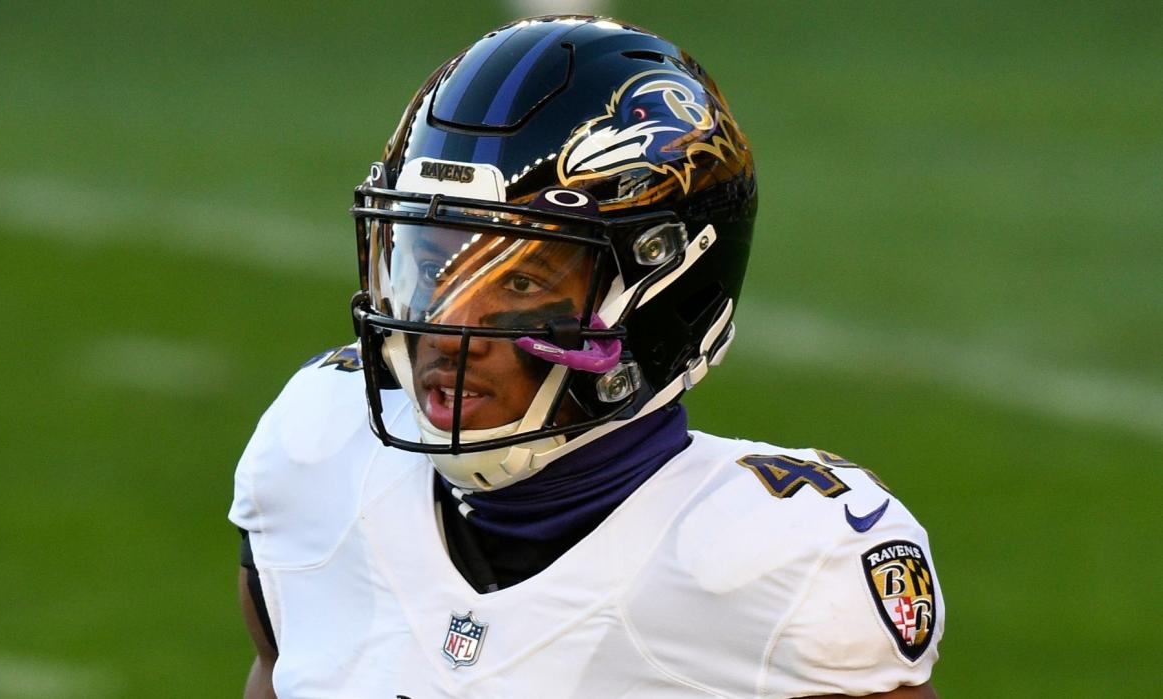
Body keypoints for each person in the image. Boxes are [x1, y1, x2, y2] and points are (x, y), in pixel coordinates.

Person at [231, 15, 944, 699]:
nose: (447, 330)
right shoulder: (317, 459)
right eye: (429, 262)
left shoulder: (773, 568)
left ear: (663, 294)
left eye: (520, 281)